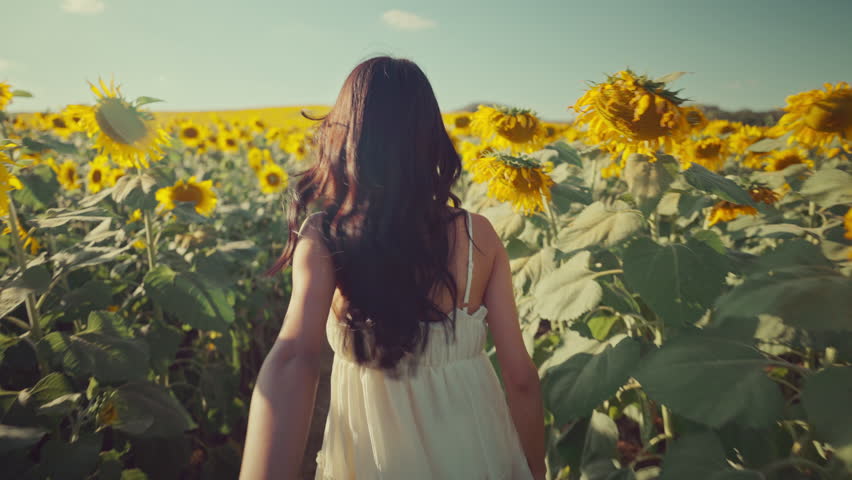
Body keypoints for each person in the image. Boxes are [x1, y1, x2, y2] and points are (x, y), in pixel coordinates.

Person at [239, 56, 546, 480]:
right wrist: (534, 467)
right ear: (429, 138)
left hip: (374, 461)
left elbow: (295, 358)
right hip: (477, 451)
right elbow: (521, 377)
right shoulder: (480, 237)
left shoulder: (327, 236)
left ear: (346, 135)